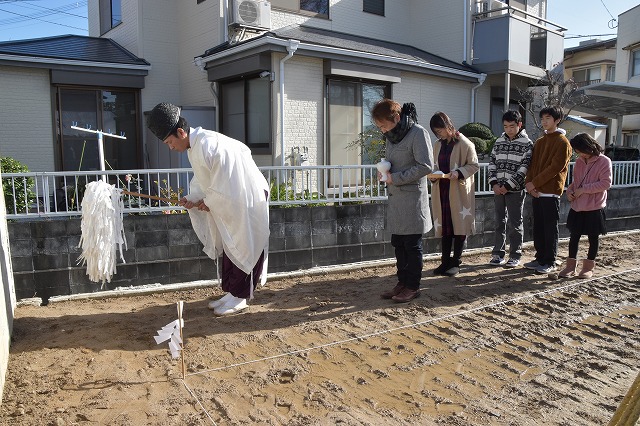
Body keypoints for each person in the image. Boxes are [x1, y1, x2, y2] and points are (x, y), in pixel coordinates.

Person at [146, 102, 270, 316]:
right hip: (234, 198)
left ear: (181, 132)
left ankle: (241, 297)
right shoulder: (196, 146)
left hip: (247, 197)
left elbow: (225, 181)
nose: (171, 147)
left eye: (170, 142)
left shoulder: (209, 144)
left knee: (243, 243)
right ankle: (233, 292)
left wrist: (208, 201)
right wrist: (192, 198)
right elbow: (205, 180)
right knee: (231, 244)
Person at [372, 99, 434, 303]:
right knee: (398, 244)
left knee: (412, 245)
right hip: (396, 198)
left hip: (413, 199)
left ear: (396, 118)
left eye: (383, 125)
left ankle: (413, 286)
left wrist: (395, 178)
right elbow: (394, 162)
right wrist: (384, 171)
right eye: (379, 126)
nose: (382, 130)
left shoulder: (418, 133)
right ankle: (402, 282)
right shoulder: (392, 136)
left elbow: (426, 166)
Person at [429, 112, 479, 277]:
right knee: (445, 227)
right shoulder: (438, 144)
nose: (439, 134)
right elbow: (434, 165)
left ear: (448, 125)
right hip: (442, 190)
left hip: (457, 190)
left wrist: (458, 172)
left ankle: (456, 262)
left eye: (440, 130)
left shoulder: (465, 143)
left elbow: (474, 165)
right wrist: (433, 176)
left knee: (459, 226)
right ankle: (444, 262)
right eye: (436, 132)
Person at [523, 105, 572, 274]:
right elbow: (532, 165)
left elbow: (555, 168)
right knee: (538, 227)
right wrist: (529, 184)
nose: (544, 122)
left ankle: (550, 260)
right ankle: (540, 258)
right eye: (543, 118)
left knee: (550, 227)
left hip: (550, 191)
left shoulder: (562, 142)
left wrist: (533, 184)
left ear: (557, 120)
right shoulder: (540, 141)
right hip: (536, 191)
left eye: (548, 118)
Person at [558, 133, 612, 278]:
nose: (578, 153)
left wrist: (584, 190)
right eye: (577, 151)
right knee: (573, 237)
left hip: (594, 206)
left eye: (579, 150)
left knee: (593, 238)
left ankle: (588, 268)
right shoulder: (580, 161)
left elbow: (606, 183)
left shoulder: (604, 161)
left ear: (588, 146)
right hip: (577, 206)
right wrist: (569, 191)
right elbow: (576, 182)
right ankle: (570, 267)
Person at [487, 110, 533, 268]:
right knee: (498, 222)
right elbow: (492, 162)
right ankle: (498, 254)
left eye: (512, 126)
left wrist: (507, 185)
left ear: (519, 125)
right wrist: (494, 183)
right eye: (506, 126)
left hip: (515, 190)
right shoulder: (499, 141)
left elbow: (525, 168)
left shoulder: (527, 143)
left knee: (515, 223)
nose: (509, 129)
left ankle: (515, 254)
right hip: (498, 189)